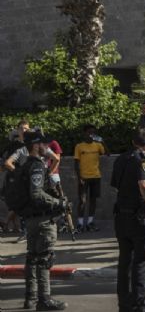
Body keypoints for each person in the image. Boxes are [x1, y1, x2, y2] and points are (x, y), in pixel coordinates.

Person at [19, 130, 68, 310]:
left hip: (31, 219)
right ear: (35, 145)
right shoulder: (37, 166)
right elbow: (36, 194)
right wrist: (58, 203)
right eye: (43, 144)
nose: (46, 147)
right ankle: (44, 299)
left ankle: (30, 297)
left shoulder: (27, 164)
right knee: (44, 258)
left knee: (32, 257)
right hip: (42, 219)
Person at [112, 129, 145, 312]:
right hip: (140, 218)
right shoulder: (143, 161)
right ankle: (140, 305)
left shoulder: (121, 159)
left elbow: (116, 186)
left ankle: (124, 304)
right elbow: (144, 184)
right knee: (142, 262)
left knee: (125, 261)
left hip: (122, 217)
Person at [74, 124, 107, 232]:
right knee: (82, 201)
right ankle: (79, 224)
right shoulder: (79, 146)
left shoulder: (97, 145)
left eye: (93, 133)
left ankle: (90, 222)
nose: (91, 135)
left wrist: (102, 142)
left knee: (93, 200)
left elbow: (107, 153)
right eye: (89, 132)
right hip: (84, 177)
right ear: (84, 133)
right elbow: (76, 164)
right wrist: (79, 178)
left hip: (96, 176)